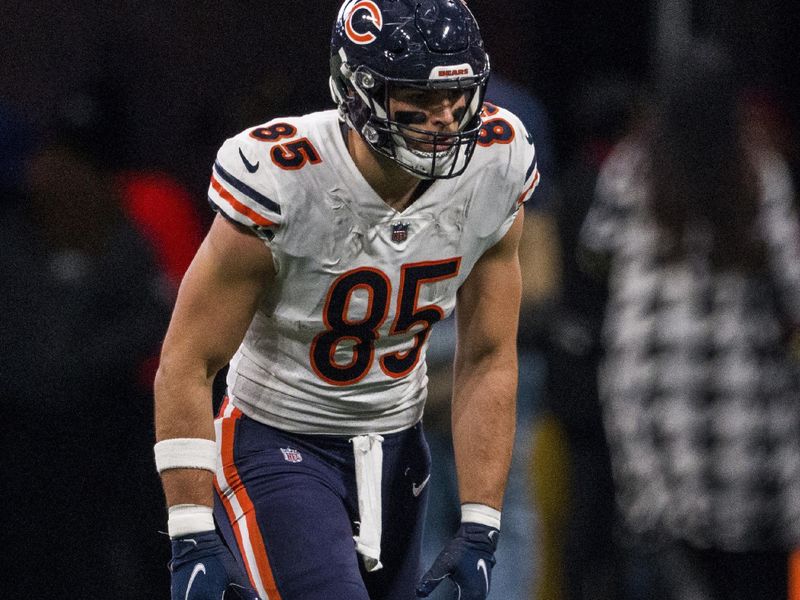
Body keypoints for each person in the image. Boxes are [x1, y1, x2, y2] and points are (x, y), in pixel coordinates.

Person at [153, 1, 541, 599]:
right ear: (360, 93)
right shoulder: (284, 175)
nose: (445, 117)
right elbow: (187, 359)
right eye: (419, 95)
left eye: (458, 94)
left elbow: (489, 354)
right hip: (278, 438)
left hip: (399, 445)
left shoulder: (496, 162)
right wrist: (189, 529)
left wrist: (482, 523)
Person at [580, 40, 800, 600]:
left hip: (651, 399)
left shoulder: (631, 169)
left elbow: (594, 251)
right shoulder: (758, 171)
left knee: (668, 564)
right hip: (745, 409)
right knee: (750, 576)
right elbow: (791, 282)